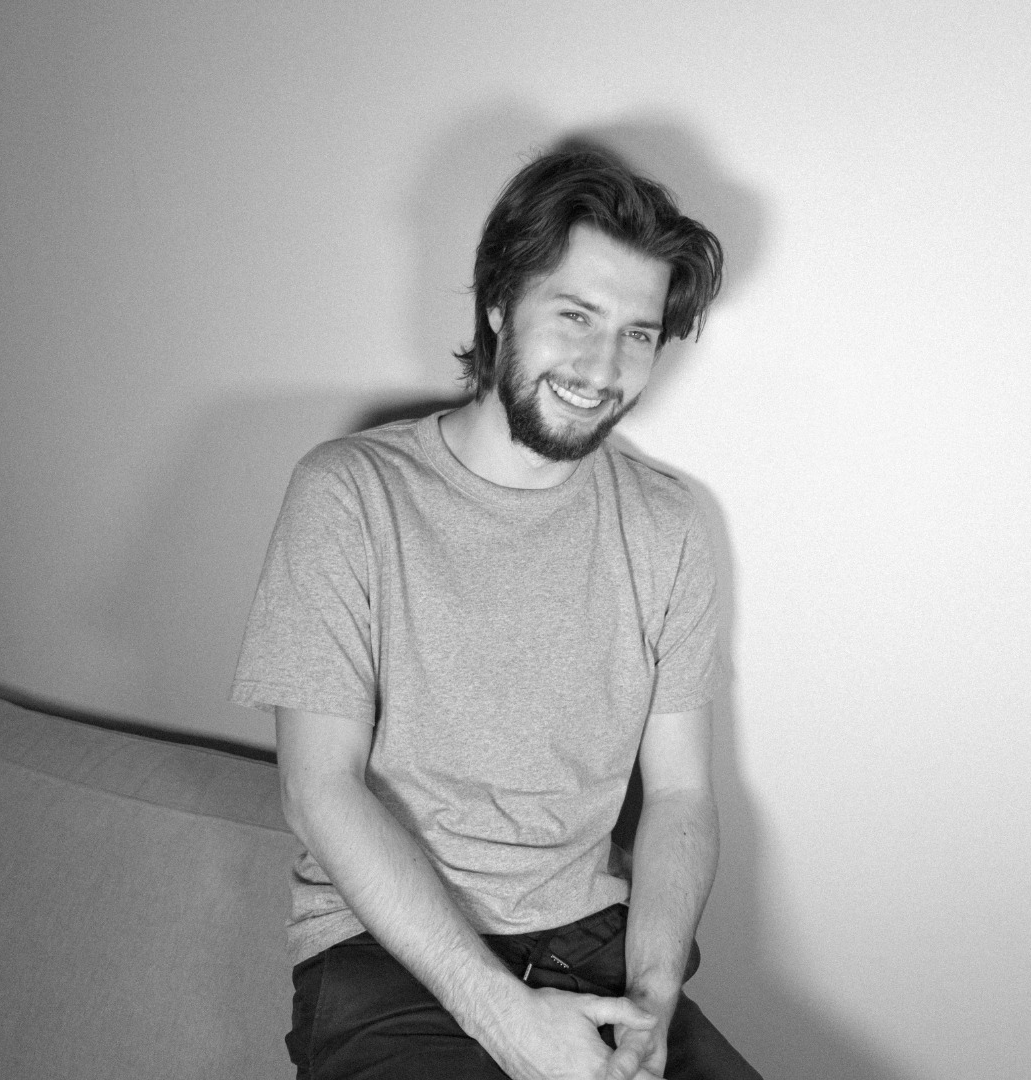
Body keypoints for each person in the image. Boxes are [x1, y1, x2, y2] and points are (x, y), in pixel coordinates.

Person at [233, 147, 761, 1080]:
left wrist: (652, 996)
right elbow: (319, 789)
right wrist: (503, 1019)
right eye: (575, 317)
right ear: (498, 304)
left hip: (595, 940)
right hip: (386, 953)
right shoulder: (350, 495)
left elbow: (681, 796)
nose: (602, 367)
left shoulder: (668, 525)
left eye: (637, 334)